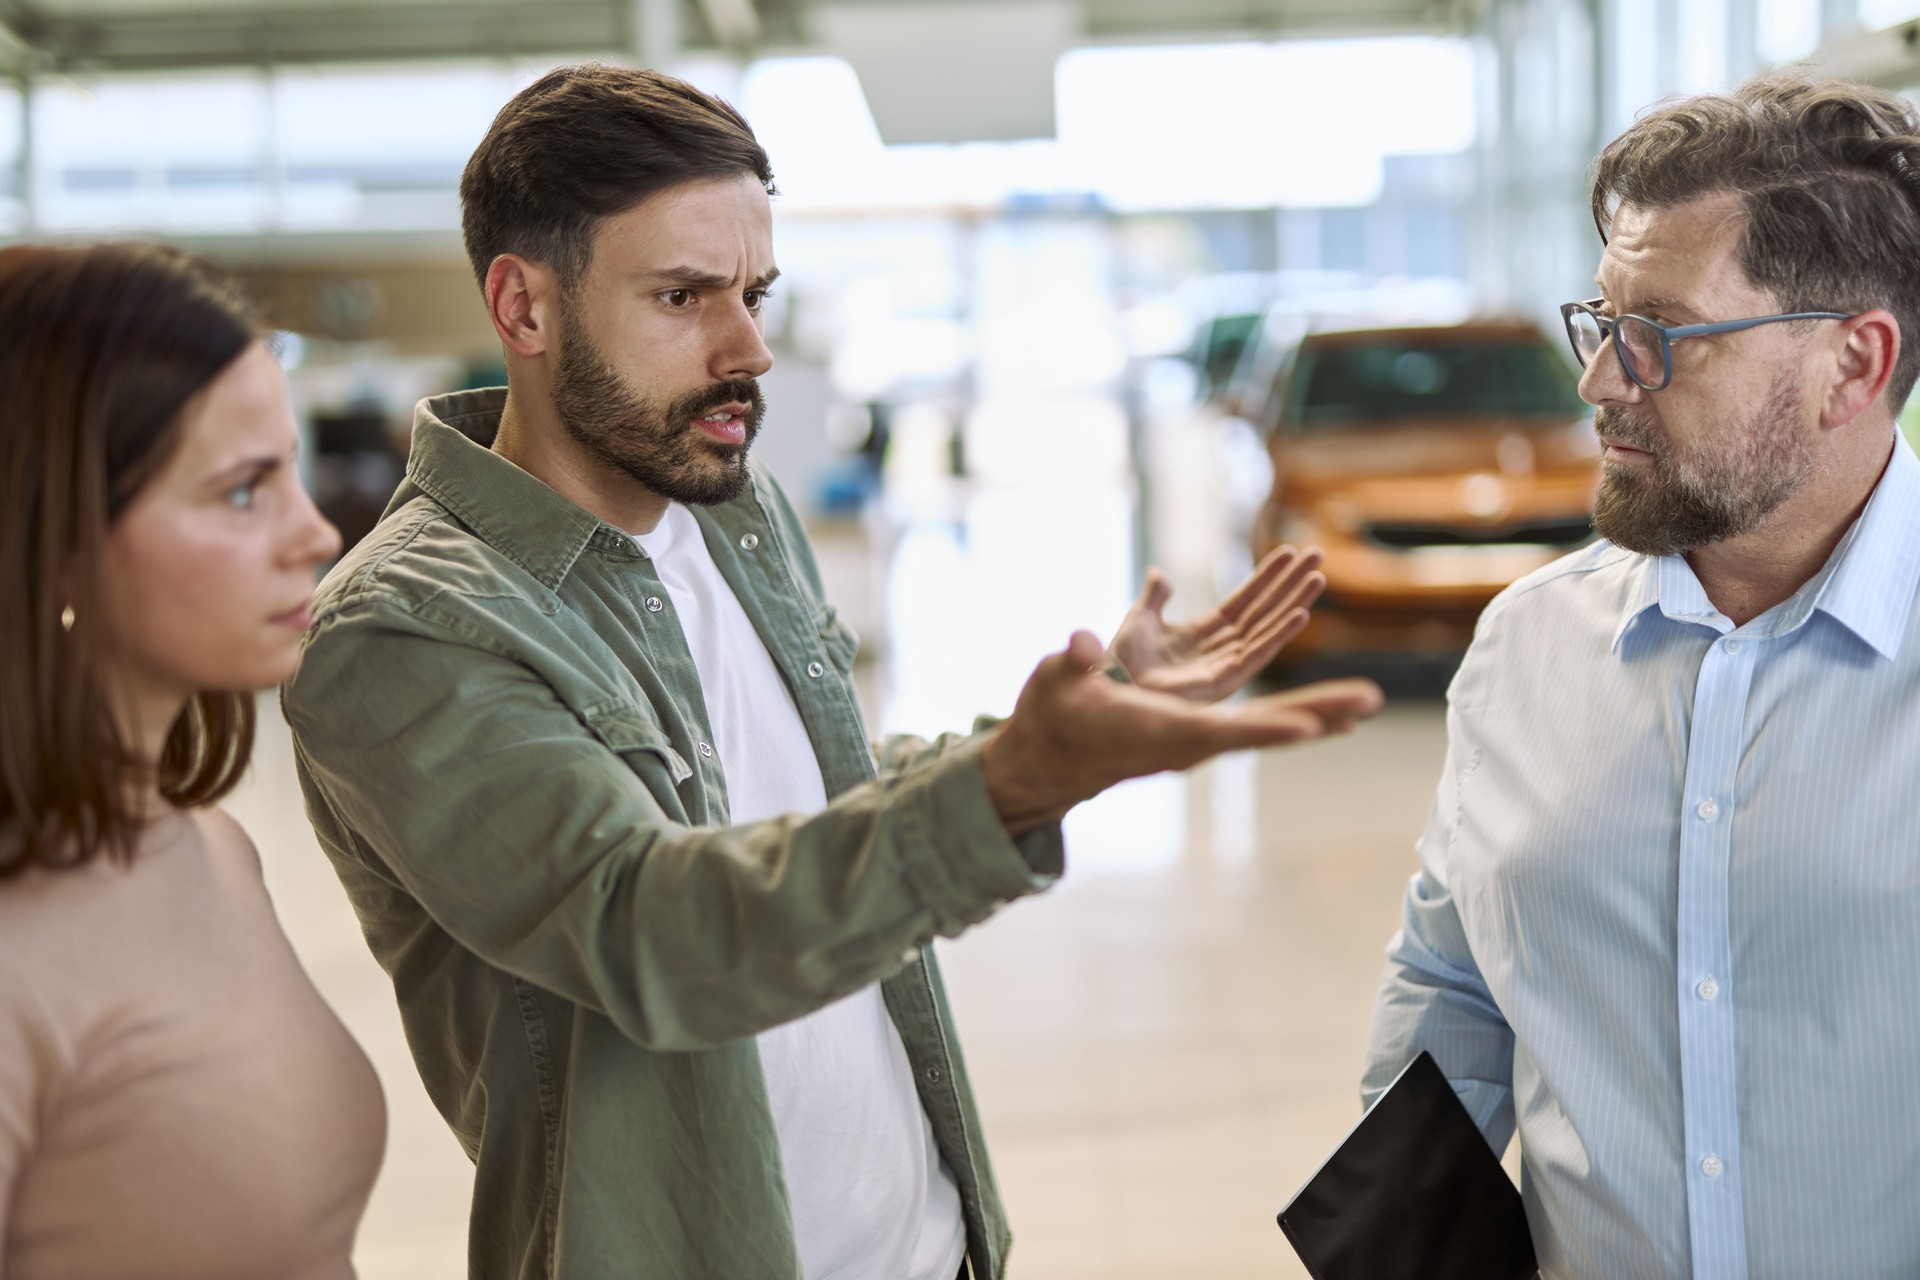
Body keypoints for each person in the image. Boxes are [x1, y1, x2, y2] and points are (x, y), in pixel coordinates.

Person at [281, 64, 1381, 1280]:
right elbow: (650, 925)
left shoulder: (732, 514)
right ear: (524, 306)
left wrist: (1068, 730)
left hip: (929, 1244)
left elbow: (818, 803)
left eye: (755, 291)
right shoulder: (404, 627)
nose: (748, 347)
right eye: (684, 294)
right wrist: (1006, 789)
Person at [1363, 71, 1920, 1280]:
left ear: (1852, 364)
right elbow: (1451, 988)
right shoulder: (1526, 647)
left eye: (1660, 334)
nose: (1602, 380)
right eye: (1602, 320)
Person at [0, 243, 384, 1278]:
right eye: (243, 491)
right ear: (51, 536)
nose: (315, 533)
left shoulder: (208, 847)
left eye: (292, 472)